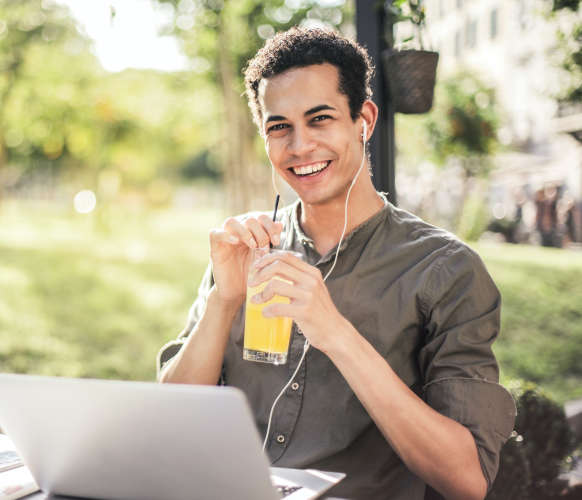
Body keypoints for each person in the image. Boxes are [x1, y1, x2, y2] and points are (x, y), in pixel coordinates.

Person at [157, 27, 515, 500]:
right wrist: (224, 302)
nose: (299, 146)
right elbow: (168, 421)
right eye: (279, 126)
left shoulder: (445, 271)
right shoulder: (249, 249)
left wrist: (334, 332)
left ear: (362, 119)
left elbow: (466, 479)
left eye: (319, 119)